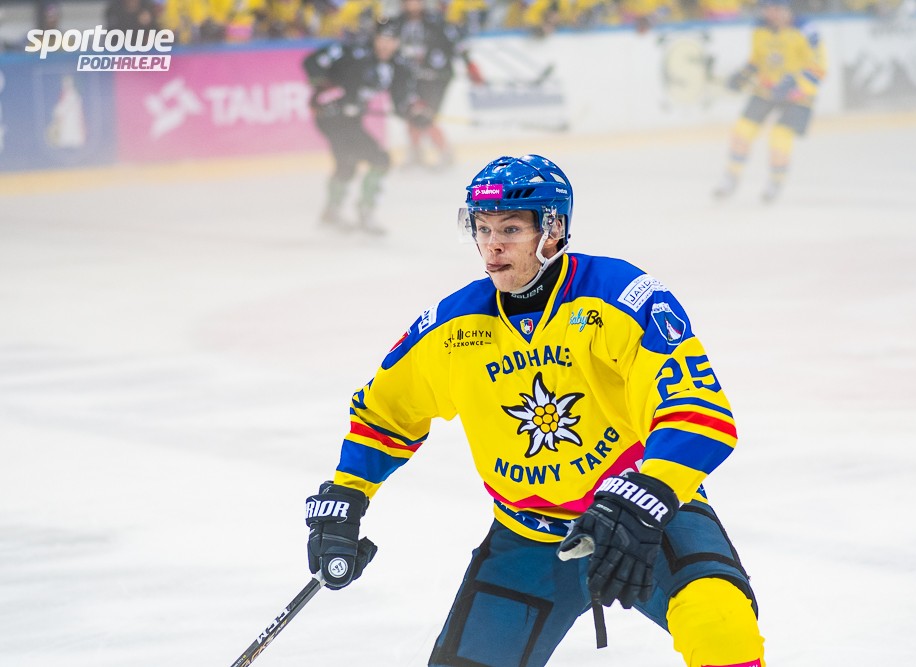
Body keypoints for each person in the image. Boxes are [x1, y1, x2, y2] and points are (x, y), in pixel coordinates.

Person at [304, 154, 766, 667]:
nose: (492, 245)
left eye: (510, 229)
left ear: (553, 230)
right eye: (482, 229)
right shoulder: (453, 327)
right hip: (527, 540)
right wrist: (346, 495)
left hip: (643, 518)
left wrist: (650, 493)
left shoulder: (620, 297)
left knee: (721, 624)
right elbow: (385, 413)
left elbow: (697, 410)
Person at [302, 21, 418, 234]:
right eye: (382, 39)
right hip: (331, 118)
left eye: (392, 40)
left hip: (351, 120)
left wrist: (414, 113)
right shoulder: (352, 51)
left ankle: (333, 213)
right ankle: (362, 214)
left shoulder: (398, 65)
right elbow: (312, 62)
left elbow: (400, 102)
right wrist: (330, 94)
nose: (386, 45)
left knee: (352, 164)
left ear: (398, 42)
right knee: (377, 159)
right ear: (374, 39)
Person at [712, 0, 825, 203]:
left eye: (773, 8)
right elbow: (757, 61)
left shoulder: (807, 30)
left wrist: (795, 85)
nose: (768, 13)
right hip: (766, 90)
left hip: (799, 96)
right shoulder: (760, 29)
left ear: (785, 8)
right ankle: (731, 176)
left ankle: (775, 182)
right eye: (766, 8)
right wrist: (742, 75)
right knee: (742, 130)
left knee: (779, 136)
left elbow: (818, 68)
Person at [390, 0, 470, 169]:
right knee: (411, 114)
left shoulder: (436, 21)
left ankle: (444, 152)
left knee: (425, 116)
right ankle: (416, 153)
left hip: (434, 80)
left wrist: (469, 64)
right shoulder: (397, 24)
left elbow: (456, 44)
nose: (413, 4)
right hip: (409, 79)